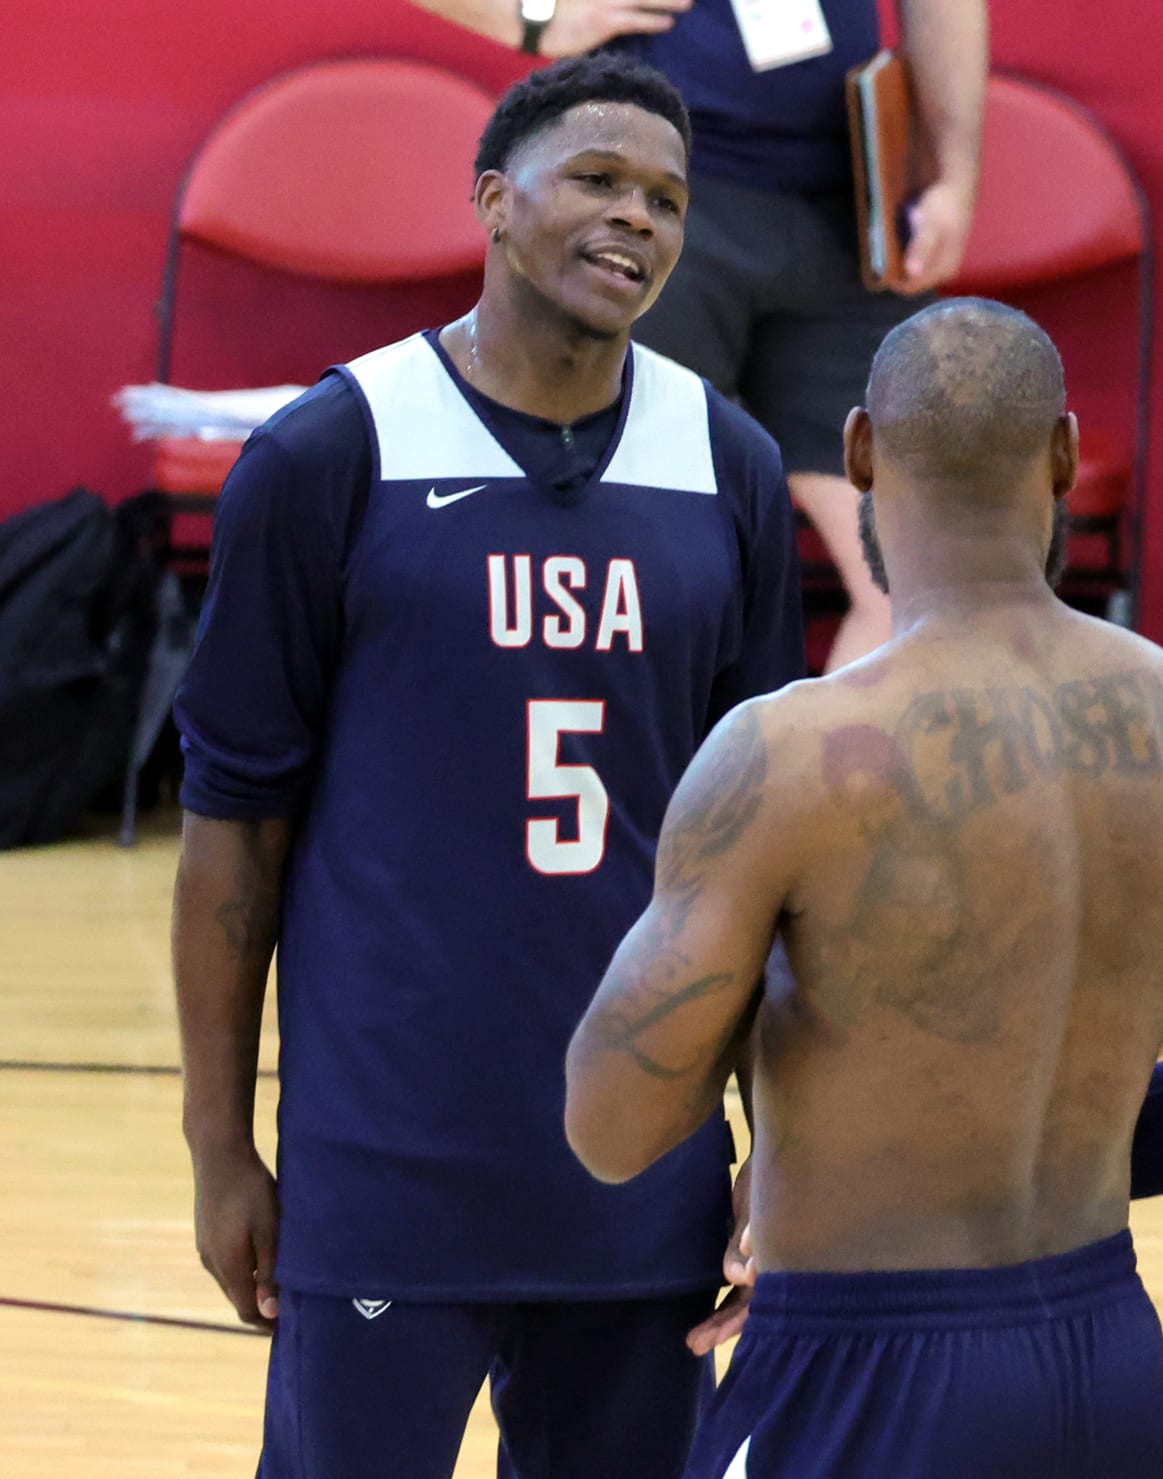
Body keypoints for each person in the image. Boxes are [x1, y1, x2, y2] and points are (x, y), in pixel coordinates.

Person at [170, 52, 804, 1479]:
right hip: (390, 1164)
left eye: (666, 197)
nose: (634, 217)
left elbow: (766, 848)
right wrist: (220, 1144)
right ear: (492, 203)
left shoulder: (731, 463)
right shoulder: (333, 450)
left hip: (644, 1176)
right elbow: (233, 827)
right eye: (595, 179)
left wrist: (785, 1139)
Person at [563, 298, 1163, 1479]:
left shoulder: (787, 756)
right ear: (1065, 456)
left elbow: (611, 1126)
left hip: (859, 1368)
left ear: (858, 450)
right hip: (1105, 1358)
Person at [407, 0, 989, 672]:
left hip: (848, 204)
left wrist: (956, 167)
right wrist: (535, 17)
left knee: (917, 585)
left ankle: (807, 778)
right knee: (628, 574)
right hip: (648, 196)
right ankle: (622, 777)